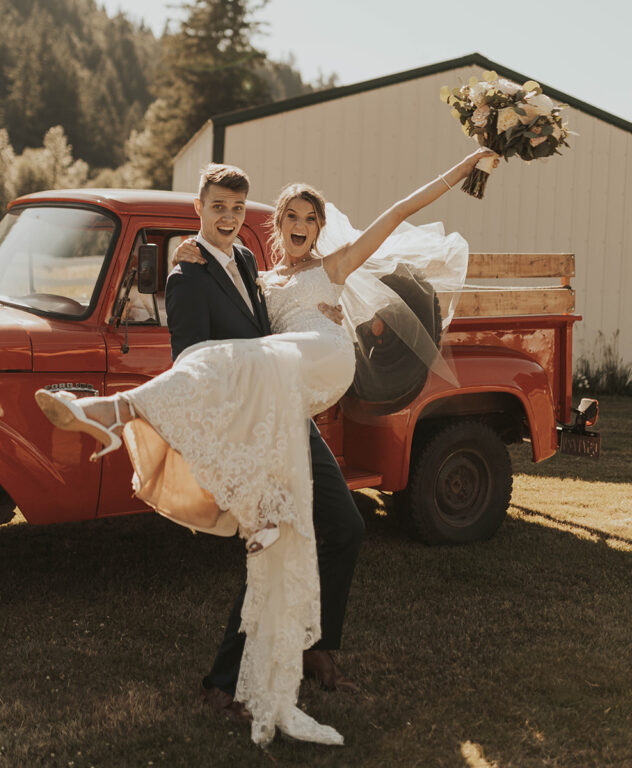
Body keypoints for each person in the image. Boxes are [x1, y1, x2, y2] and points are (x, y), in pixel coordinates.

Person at [35, 149, 497, 746]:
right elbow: (196, 352)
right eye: (290, 218)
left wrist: (464, 167)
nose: (299, 226)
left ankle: (319, 651)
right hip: (263, 419)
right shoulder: (239, 273)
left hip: (308, 389)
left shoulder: (310, 267)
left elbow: (398, 210)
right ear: (275, 225)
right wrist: (187, 251)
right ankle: (223, 682)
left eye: (310, 218)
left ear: (317, 226)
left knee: (343, 529)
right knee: (277, 543)